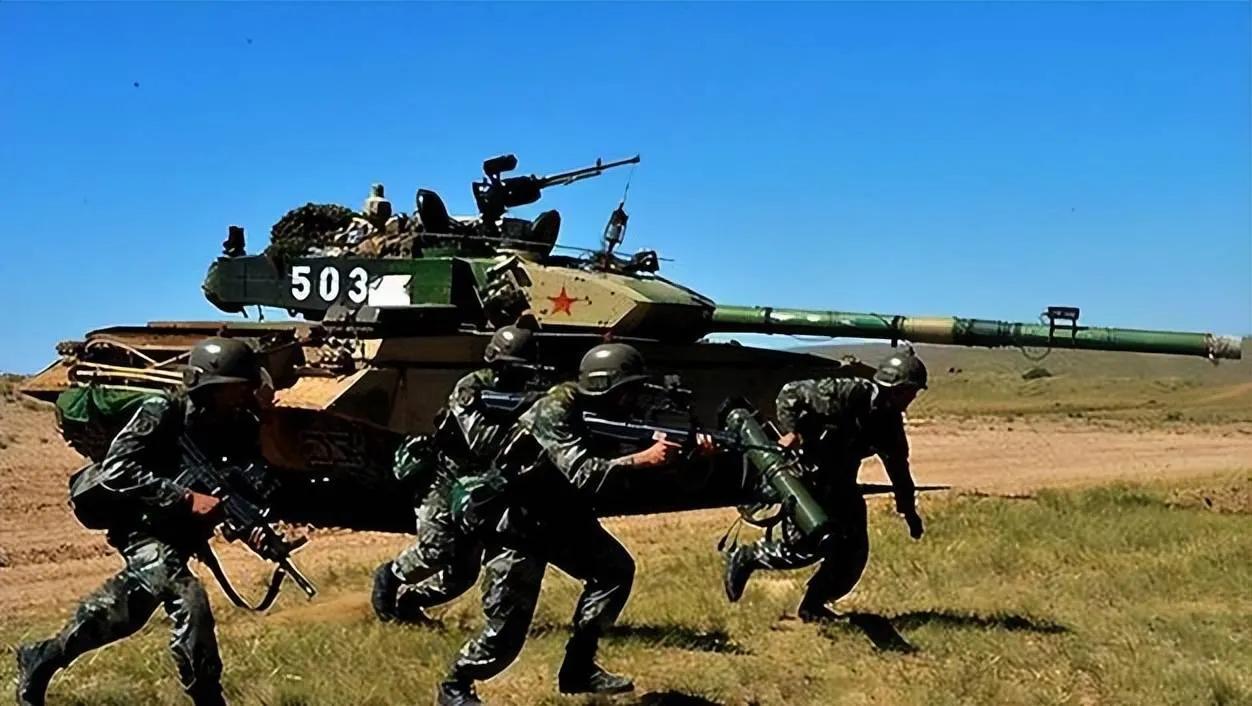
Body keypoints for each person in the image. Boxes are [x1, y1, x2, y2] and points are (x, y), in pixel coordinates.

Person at [15, 337, 269, 706]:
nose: (249, 392)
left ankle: (42, 656)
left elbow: (229, 485)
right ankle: (208, 697)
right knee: (189, 597)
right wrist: (183, 498)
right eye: (241, 385)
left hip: (177, 530)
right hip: (138, 521)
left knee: (125, 613)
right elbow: (117, 469)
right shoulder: (163, 409)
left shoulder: (236, 424)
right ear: (213, 385)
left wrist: (251, 530)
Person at [437, 343, 691, 706]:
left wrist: (685, 453)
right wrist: (644, 459)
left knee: (614, 571)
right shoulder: (556, 408)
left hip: (561, 516)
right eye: (627, 390)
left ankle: (579, 667)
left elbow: (626, 461)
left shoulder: (610, 413)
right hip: (518, 522)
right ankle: (455, 685)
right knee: (505, 634)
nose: (633, 398)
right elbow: (585, 474)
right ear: (605, 387)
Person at [723, 348, 929, 622]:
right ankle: (749, 555)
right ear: (895, 387)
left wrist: (909, 512)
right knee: (809, 544)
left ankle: (813, 606)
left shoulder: (888, 423)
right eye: (910, 391)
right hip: (807, 476)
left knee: (853, 552)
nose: (912, 397)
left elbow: (899, 470)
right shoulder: (847, 391)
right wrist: (793, 431)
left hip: (842, 483)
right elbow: (789, 394)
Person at [371, 324, 543, 624]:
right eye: (514, 368)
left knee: (462, 575)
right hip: (445, 476)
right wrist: (529, 413)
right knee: (436, 550)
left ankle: (411, 602)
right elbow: (481, 441)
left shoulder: (525, 390)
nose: (520, 375)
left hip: (484, 484)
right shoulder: (471, 388)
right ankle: (390, 576)